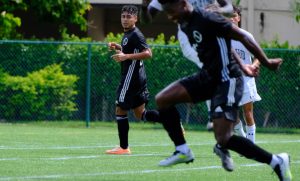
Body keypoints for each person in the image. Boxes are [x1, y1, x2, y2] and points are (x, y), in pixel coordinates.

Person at [151, 0, 292, 180]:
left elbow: (243, 36)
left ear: (184, 4)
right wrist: (244, 65)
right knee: (163, 99)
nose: (170, 16)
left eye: (171, 11)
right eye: (167, 13)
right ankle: (182, 150)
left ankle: (276, 161)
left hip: (227, 79)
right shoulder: (185, 23)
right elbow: (225, 46)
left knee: (224, 138)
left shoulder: (207, 18)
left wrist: (265, 62)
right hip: (208, 76)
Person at [140, 0, 234, 133]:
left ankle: (224, 113)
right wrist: (144, 7)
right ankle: (214, 114)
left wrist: (220, 10)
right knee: (213, 69)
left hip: (214, 35)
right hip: (191, 38)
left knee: (225, 69)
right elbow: (146, 20)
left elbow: (229, 8)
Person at [105, 5, 152, 155]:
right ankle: (172, 121)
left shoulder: (136, 34)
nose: (125, 19)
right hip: (137, 77)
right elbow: (132, 50)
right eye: (123, 16)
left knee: (120, 109)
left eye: (128, 17)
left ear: (135, 19)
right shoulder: (128, 34)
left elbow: (148, 53)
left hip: (131, 77)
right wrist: (118, 47)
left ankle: (123, 147)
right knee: (140, 114)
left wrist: (126, 56)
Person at [230, 5, 261, 143]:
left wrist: (253, 66)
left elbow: (258, 56)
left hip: (246, 79)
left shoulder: (246, 36)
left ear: (238, 18)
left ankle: (251, 145)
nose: (230, 18)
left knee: (248, 113)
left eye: (233, 15)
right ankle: (244, 141)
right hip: (229, 80)